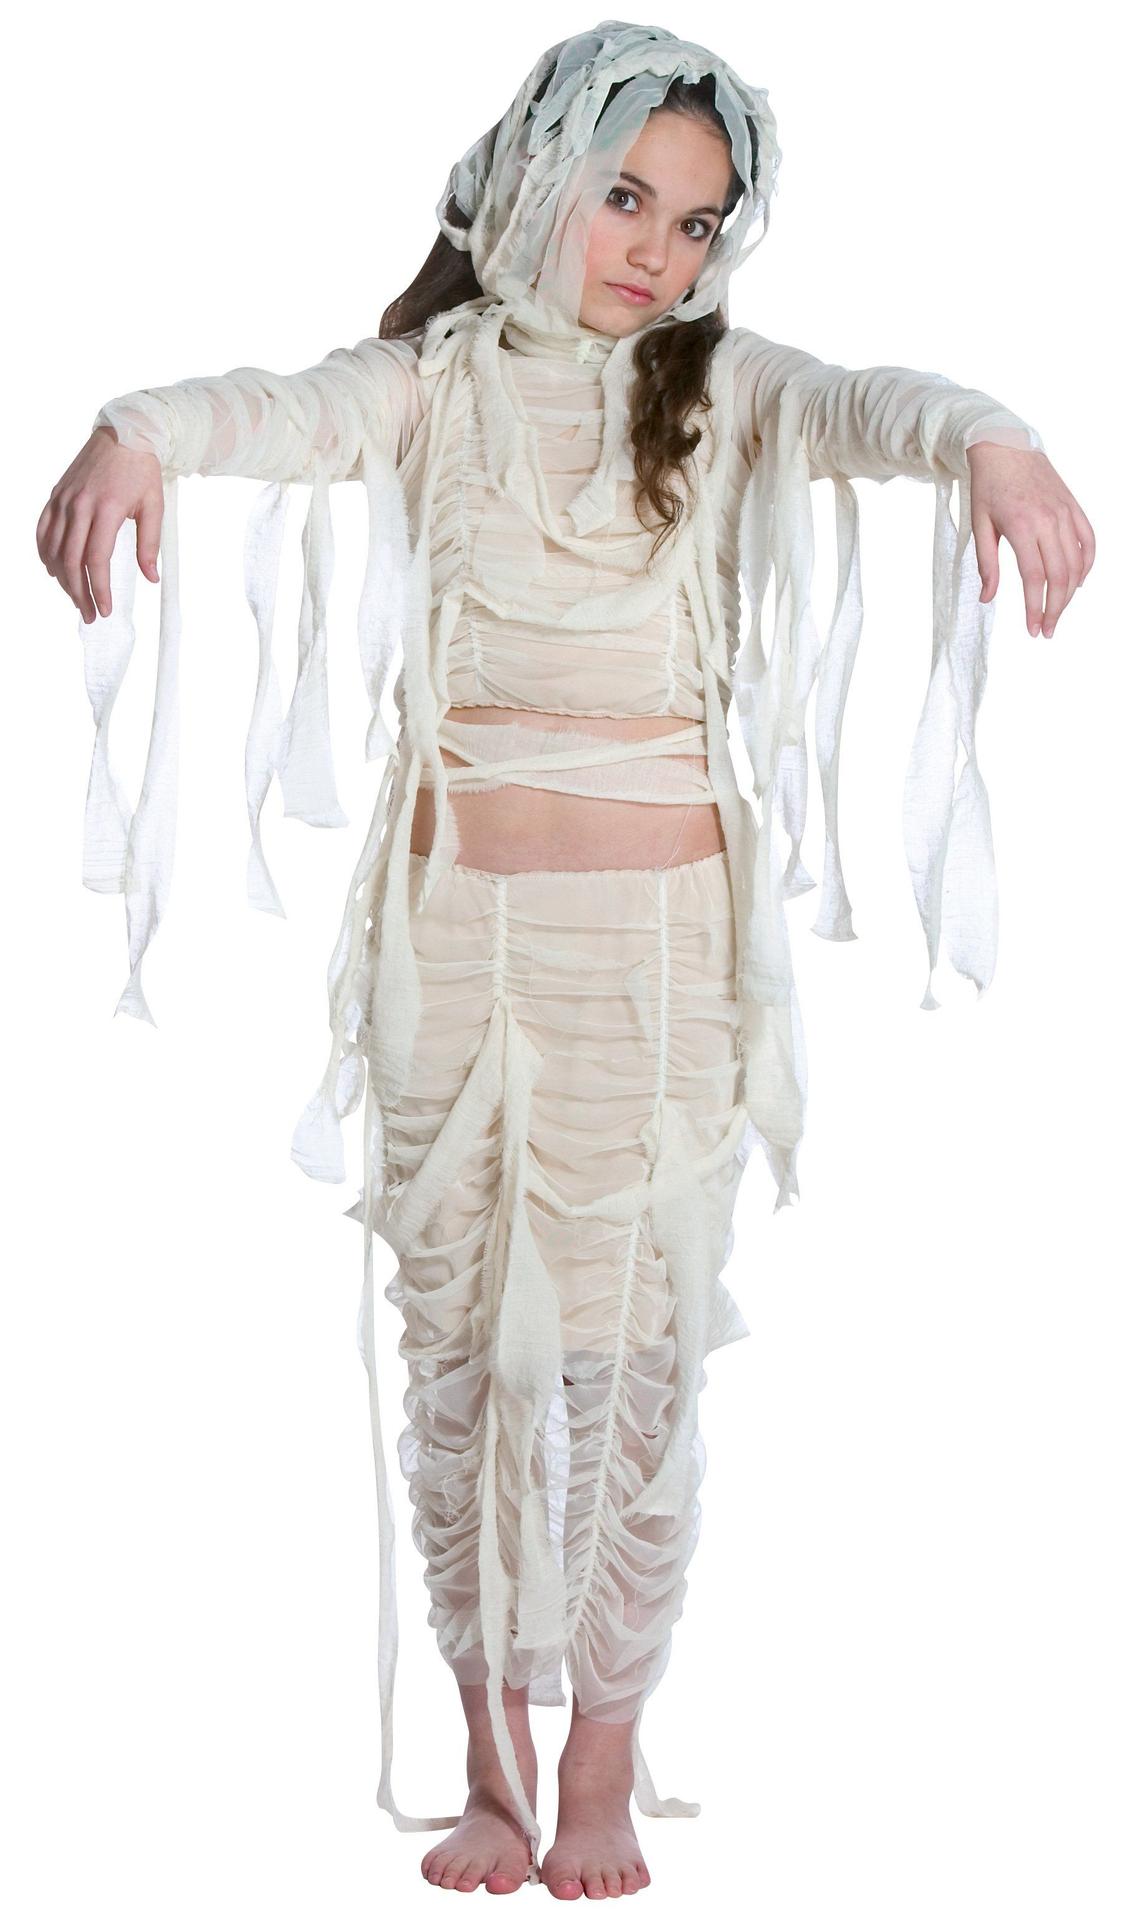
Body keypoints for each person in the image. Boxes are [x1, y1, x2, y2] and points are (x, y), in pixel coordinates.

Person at [35, 19, 1093, 1902]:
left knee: (628, 1367)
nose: (655, 252)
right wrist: (135, 425)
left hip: (653, 967)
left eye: (694, 224)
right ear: (531, 182)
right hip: (455, 951)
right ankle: (489, 1769)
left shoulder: (720, 386)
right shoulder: (432, 385)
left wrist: (993, 440)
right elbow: (273, 409)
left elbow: (875, 403)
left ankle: (601, 1767)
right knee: (462, 1357)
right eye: (624, 199)